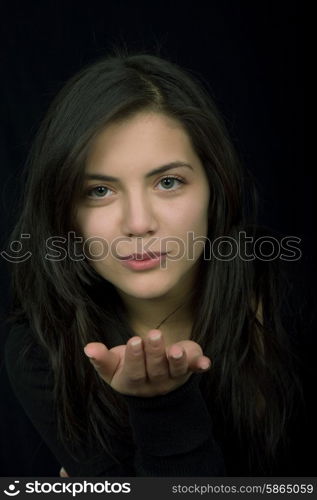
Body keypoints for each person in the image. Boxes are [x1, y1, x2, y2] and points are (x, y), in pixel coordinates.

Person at [4, 49, 302, 477]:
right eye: (99, 191)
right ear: (63, 211)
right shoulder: (45, 350)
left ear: (214, 188)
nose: (138, 223)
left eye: (168, 182)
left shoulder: (291, 296)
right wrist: (161, 406)